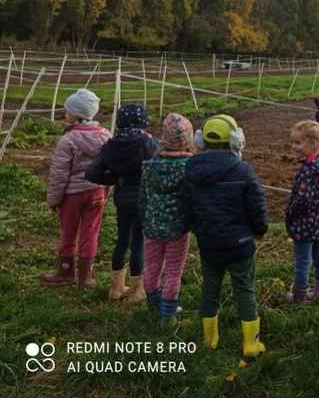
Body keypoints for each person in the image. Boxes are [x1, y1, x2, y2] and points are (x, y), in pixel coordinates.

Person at [185, 114, 268, 358]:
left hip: (208, 243)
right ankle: (251, 344)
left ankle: (209, 340)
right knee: (245, 289)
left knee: (210, 288)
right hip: (240, 244)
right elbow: (256, 206)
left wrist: (197, 228)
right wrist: (260, 229)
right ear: (236, 140)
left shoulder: (191, 168)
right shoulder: (243, 170)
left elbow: (187, 204)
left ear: (200, 140)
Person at [86, 103, 158, 302]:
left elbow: (92, 172)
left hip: (122, 198)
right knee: (138, 244)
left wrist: (113, 178)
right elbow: (159, 166)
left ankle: (116, 288)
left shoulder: (112, 144)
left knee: (122, 240)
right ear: (144, 121)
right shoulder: (148, 143)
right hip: (144, 198)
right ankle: (136, 291)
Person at [41, 89, 111, 288]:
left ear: (75, 114)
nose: (65, 113)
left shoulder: (68, 140)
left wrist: (54, 199)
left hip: (72, 195)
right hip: (97, 192)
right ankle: (85, 277)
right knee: (91, 232)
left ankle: (65, 272)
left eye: (67, 111)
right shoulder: (107, 136)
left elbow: (59, 174)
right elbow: (110, 166)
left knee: (68, 232)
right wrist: (106, 189)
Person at [140, 113, 195, 323]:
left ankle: (153, 305)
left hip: (152, 225)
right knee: (173, 270)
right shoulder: (189, 167)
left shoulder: (149, 166)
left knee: (152, 267)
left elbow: (143, 197)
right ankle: (168, 315)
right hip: (177, 228)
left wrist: (145, 218)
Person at [285, 120, 319, 303]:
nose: (294, 147)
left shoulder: (309, 171)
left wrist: (290, 213)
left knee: (302, 261)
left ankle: (299, 296)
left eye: (298, 143)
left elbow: (302, 199)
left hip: (304, 222)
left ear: (313, 143)